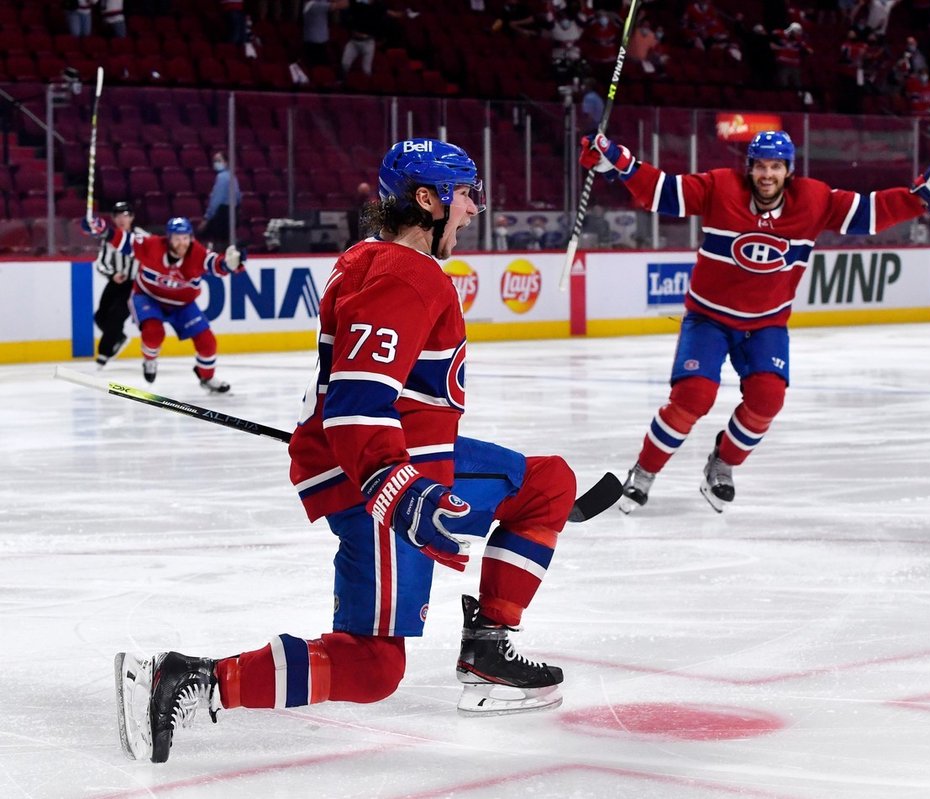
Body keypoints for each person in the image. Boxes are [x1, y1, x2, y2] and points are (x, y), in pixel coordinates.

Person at [112, 139, 577, 764]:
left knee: (544, 484)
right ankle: (189, 679)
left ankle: (488, 650)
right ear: (428, 200)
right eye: (465, 194)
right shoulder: (407, 275)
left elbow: (357, 392)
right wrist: (397, 487)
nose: (472, 210)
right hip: (385, 477)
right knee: (372, 666)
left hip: (394, 458)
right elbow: (359, 401)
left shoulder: (372, 259)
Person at [578, 130, 930, 514]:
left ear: (789, 171)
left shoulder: (814, 200)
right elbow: (664, 192)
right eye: (760, 166)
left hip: (766, 324)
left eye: (776, 167)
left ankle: (723, 463)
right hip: (708, 319)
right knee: (693, 397)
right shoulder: (720, 187)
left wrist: (923, 197)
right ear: (748, 168)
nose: (767, 175)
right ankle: (644, 472)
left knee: (768, 400)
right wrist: (619, 161)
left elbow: (869, 213)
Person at [82, 215, 246, 392]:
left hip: (183, 304)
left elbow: (215, 265)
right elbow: (123, 240)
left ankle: (207, 377)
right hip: (148, 297)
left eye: (185, 238)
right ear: (168, 239)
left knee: (208, 343)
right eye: (177, 239)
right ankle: (150, 360)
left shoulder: (197, 253)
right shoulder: (152, 246)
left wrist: (230, 264)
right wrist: (103, 229)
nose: (182, 243)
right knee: (153, 333)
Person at [92, 201, 144, 367]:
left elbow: (153, 257)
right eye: (118, 216)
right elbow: (101, 262)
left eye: (126, 215)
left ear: (132, 217)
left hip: (134, 285)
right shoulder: (110, 239)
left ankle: (103, 354)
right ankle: (119, 337)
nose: (122, 219)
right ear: (113, 219)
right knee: (100, 317)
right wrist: (112, 274)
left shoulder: (142, 237)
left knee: (116, 315)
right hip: (115, 282)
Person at [201, 151, 242, 252]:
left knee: (201, 234)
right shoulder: (233, 177)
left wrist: (207, 218)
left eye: (219, 160)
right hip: (231, 214)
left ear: (226, 162)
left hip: (222, 215)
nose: (216, 163)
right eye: (215, 161)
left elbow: (216, 200)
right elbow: (238, 197)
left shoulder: (222, 177)